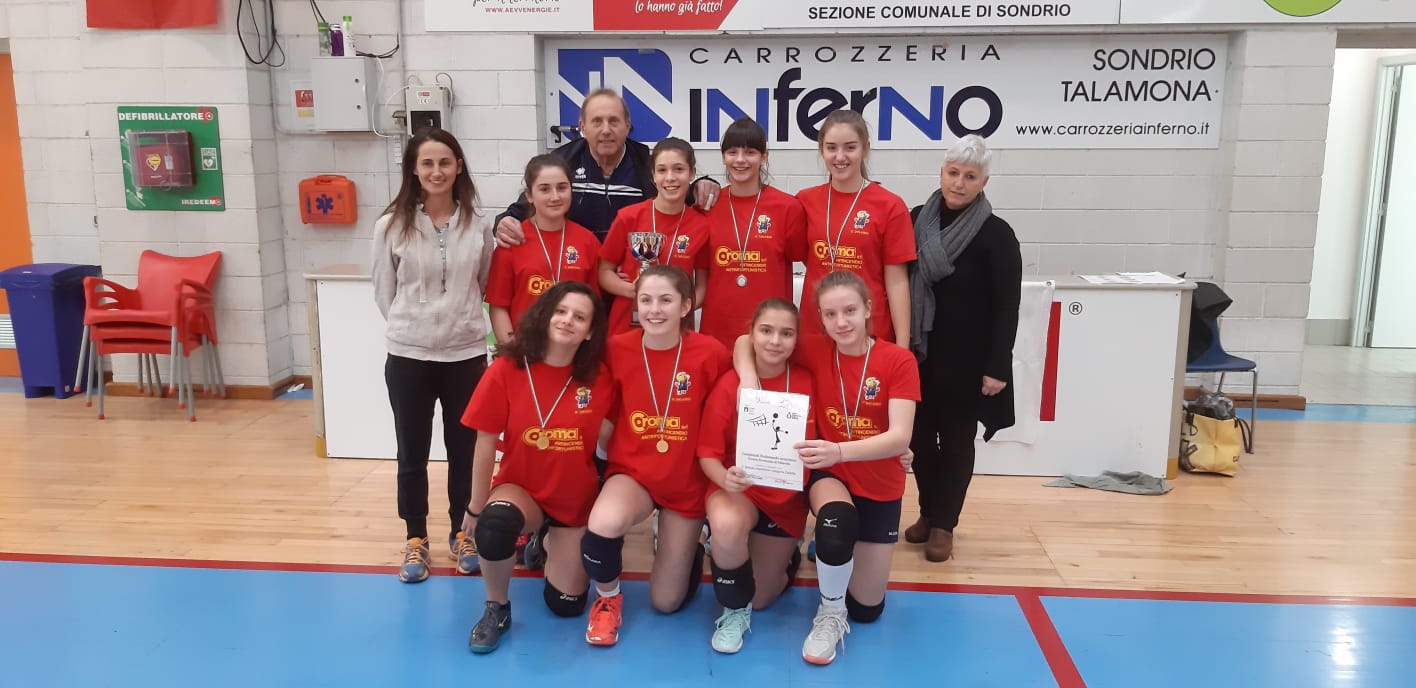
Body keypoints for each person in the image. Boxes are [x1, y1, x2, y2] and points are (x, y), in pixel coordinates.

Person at [735, 270, 919, 666]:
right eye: (830, 314)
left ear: (868, 309)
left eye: (850, 311)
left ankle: (837, 576)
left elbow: (900, 436)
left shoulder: (898, 360)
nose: (841, 322)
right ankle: (830, 613)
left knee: (866, 610)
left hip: (877, 481)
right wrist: (748, 380)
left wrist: (840, 450)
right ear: (820, 317)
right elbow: (743, 341)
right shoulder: (816, 349)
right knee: (835, 525)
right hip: (829, 474)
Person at [459, 281, 614, 653]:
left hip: (572, 500)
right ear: (545, 315)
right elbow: (484, 443)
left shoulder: (599, 378)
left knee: (566, 605)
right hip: (521, 489)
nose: (567, 320)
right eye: (560, 311)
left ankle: (544, 541)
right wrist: (476, 507)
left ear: (590, 332)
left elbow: (612, 440)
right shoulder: (507, 369)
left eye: (579, 317)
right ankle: (497, 607)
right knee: (494, 526)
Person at [580, 265, 731, 647]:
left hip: (687, 483)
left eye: (666, 300)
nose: (654, 309)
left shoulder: (711, 353)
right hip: (634, 474)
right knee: (603, 522)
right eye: (645, 300)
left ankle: (692, 546)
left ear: (685, 306)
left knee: (666, 602)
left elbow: (733, 405)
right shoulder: (616, 348)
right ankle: (608, 600)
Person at [370, 127, 494, 583]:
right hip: (409, 356)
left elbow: (482, 283)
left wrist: (457, 323)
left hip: (465, 357)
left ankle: (463, 533)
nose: (437, 171)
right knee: (412, 452)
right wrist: (416, 327)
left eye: (445, 162)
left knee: (464, 451)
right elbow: (384, 291)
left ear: (458, 166)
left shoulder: (479, 225)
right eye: (427, 163)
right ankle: (415, 537)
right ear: (414, 170)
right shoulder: (390, 226)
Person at [905, 135, 1021, 562]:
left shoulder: (996, 235)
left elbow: (1007, 305)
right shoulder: (916, 220)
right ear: (941, 173)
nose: (959, 183)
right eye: (953, 173)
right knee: (919, 440)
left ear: (983, 182)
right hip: (919, 355)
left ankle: (944, 525)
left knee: (956, 442)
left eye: (970, 176)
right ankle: (927, 510)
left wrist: (997, 366)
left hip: (967, 362)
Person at [698, 298, 815, 654]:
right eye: (766, 331)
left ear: (797, 339)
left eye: (786, 333)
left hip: (785, 499)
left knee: (761, 598)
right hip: (740, 489)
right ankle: (733, 610)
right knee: (727, 526)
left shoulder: (808, 381)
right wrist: (724, 479)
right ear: (750, 335)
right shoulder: (730, 384)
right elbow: (707, 454)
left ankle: (785, 557)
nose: (775, 341)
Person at [494, 89, 720, 247]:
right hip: (575, 269)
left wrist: (703, 184)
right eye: (597, 121)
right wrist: (504, 222)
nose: (605, 130)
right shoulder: (563, 161)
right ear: (582, 126)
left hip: (629, 273)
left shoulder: (644, 163)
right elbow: (525, 206)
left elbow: (675, 192)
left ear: (627, 126)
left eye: (614, 121)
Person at [796, 110, 915, 347]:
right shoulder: (804, 201)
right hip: (815, 331)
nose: (840, 157)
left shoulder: (890, 206)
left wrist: (903, 347)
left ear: (866, 148)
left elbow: (897, 282)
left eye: (850, 147)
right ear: (821, 150)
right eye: (831, 148)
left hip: (869, 332)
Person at [699, 118, 808, 350]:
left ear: (764, 156)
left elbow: (801, 256)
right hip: (718, 330)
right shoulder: (708, 206)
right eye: (732, 152)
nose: (740, 160)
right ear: (723, 157)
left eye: (750, 152)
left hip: (770, 335)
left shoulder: (788, 207)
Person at [598, 138, 710, 334]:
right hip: (627, 326)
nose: (670, 178)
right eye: (662, 170)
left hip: (677, 329)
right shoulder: (628, 217)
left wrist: (679, 308)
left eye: (678, 169)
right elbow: (603, 272)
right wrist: (633, 290)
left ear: (691, 173)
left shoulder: (701, 225)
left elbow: (702, 287)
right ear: (653, 175)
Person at [485, 155, 602, 344]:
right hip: (524, 350)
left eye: (562, 188)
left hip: (572, 350)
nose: (555, 197)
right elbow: (498, 307)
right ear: (529, 195)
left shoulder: (588, 242)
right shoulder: (512, 241)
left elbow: (593, 305)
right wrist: (512, 351)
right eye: (545, 189)